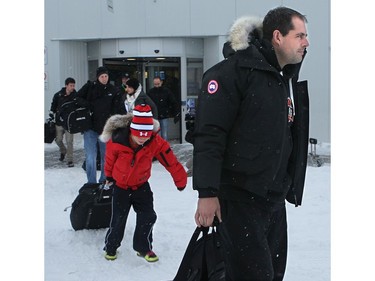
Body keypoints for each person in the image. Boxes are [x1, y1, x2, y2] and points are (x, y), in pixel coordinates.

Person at [192, 7, 310, 281]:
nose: (306, 42)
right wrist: (207, 193)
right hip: (240, 199)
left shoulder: (283, 77)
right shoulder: (229, 74)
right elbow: (210, 135)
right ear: (278, 37)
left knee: (272, 274)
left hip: (274, 200)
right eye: (300, 35)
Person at [99, 104, 187, 262]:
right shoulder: (118, 140)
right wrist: (109, 176)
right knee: (118, 219)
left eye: (146, 135)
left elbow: (170, 160)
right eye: (138, 135)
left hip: (141, 186)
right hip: (121, 187)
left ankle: (144, 247)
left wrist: (180, 179)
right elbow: (109, 160)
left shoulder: (154, 141)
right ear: (131, 130)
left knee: (148, 216)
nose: (142, 138)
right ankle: (111, 247)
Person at [76, 66, 122, 183]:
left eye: (106, 76)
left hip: (106, 130)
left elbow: (119, 109)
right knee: (90, 157)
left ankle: (103, 180)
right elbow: (77, 98)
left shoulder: (113, 90)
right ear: (98, 77)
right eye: (102, 76)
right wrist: (88, 105)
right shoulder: (90, 87)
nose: (104, 78)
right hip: (90, 128)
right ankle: (91, 183)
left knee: (106, 157)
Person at [49, 77, 77, 167]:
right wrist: (51, 114)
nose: (72, 87)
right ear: (66, 86)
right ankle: (63, 151)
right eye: (71, 85)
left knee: (69, 141)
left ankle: (70, 160)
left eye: (73, 85)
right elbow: (53, 106)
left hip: (69, 123)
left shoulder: (76, 96)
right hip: (59, 122)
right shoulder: (58, 95)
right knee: (58, 140)